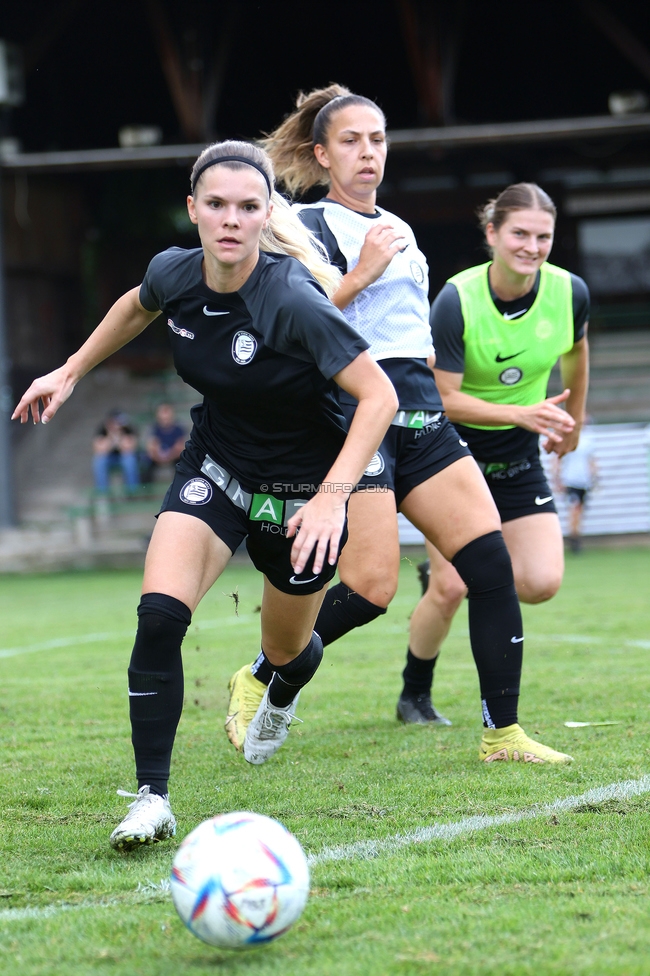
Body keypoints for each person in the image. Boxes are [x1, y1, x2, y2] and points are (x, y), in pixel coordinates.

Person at [12, 139, 397, 851]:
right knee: (159, 617)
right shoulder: (174, 272)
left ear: (265, 216)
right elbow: (136, 304)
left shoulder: (289, 299)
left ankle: (281, 687)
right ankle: (152, 798)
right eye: (215, 205)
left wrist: (333, 497)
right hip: (216, 467)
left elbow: (379, 395)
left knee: (287, 651)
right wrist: (69, 371)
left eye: (247, 207)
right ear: (193, 209)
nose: (229, 219)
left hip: (300, 490)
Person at [225, 85, 573, 766]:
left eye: (378, 139)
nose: (367, 153)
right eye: (351, 141)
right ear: (322, 153)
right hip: (358, 412)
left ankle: (502, 735)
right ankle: (262, 674)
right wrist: (360, 275)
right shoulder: (301, 224)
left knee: (490, 565)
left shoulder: (399, 226)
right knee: (371, 589)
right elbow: (284, 321)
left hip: (422, 409)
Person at [410, 182, 590, 716]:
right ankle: (414, 693)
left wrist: (573, 419)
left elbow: (578, 353)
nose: (532, 247)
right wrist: (522, 413)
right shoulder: (456, 299)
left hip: (517, 460)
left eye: (543, 236)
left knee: (540, 583)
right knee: (448, 590)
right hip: (452, 459)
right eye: (519, 234)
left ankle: (454, 569)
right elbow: (443, 399)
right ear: (492, 234)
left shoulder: (569, 291)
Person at [554, 421, 598, 553]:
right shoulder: (566, 438)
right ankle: (574, 540)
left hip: (584, 481)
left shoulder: (588, 439)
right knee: (575, 509)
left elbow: (592, 460)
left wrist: (594, 477)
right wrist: (557, 479)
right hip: (570, 480)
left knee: (580, 511)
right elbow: (558, 460)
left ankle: (576, 536)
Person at [92, 409, 140, 493]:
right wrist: (111, 438)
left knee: (129, 459)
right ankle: (103, 493)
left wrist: (119, 439)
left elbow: (130, 447)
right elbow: (98, 449)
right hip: (110, 458)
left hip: (123, 457)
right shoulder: (102, 429)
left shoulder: (128, 429)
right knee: (99, 461)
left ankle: (133, 492)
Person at [142, 402, 186, 482]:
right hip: (157, 457)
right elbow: (150, 447)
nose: (165, 416)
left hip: (174, 457)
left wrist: (170, 455)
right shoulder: (153, 428)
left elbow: (181, 446)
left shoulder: (179, 428)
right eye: (162, 412)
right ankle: (144, 491)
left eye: (167, 412)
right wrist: (158, 455)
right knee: (145, 464)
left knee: (184, 462)